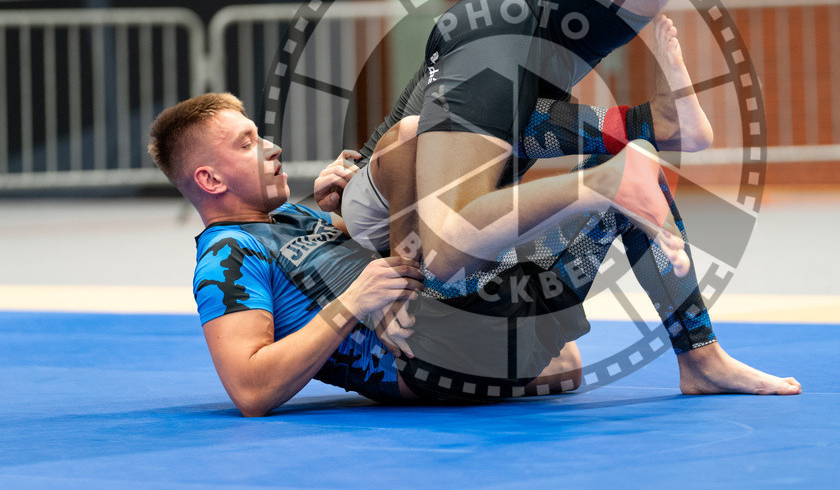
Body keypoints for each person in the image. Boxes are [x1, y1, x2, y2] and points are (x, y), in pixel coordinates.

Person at [318, 15, 801, 398]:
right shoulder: (396, 157)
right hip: (445, 291)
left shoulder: (358, 189)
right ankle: (653, 122)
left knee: (627, 171)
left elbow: (567, 366)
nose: (277, 156)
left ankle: (700, 356)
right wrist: (398, 277)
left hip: (481, 288)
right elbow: (405, 140)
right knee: (499, 125)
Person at [147, 92, 696, 413]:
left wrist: (342, 201)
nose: (271, 147)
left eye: (260, 135)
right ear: (210, 179)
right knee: (416, 134)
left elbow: (348, 251)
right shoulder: (226, 254)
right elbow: (249, 389)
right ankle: (625, 137)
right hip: (426, 345)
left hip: (470, 333)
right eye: (247, 143)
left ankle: (699, 355)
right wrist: (354, 304)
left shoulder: (291, 217)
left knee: (631, 180)